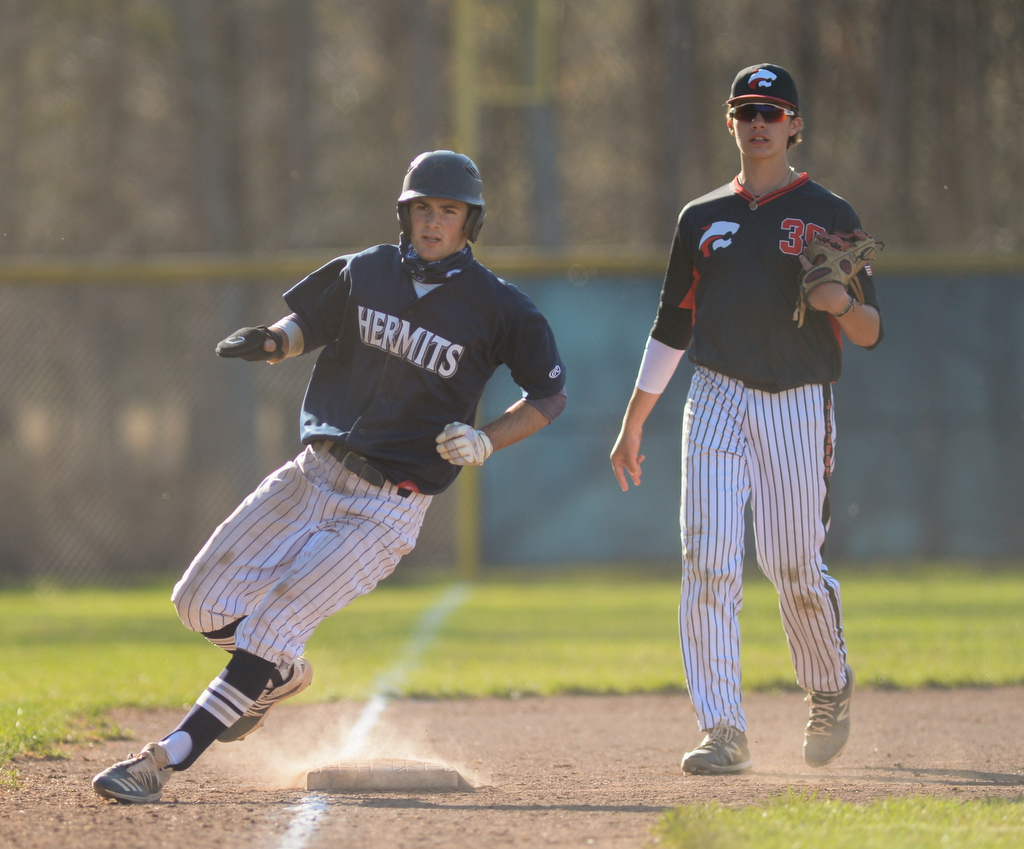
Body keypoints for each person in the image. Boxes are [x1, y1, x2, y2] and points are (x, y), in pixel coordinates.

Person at [92, 150, 567, 803]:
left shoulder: (499, 307)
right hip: (313, 474)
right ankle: (276, 676)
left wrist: (489, 437)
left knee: (272, 623)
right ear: (406, 212)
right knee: (197, 603)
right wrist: (272, 342)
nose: (433, 221)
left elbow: (547, 395)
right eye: (423, 207)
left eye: (447, 210)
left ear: (469, 221)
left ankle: (164, 758)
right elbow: (308, 322)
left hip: (388, 507)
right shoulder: (368, 270)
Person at [610, 64, 881, 775]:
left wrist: (842, 307)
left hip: (797, 399)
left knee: (792, 564)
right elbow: (672, 324)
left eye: (772, 110)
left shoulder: (828, 210)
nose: (759, 122)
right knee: (707, 557)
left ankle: (827, 687)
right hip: (718, 395)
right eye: (746, 110)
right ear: (730, 123)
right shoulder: (701, 218)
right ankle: (722, 727)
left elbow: (874, 331)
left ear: (795, 124)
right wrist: (635, 419)